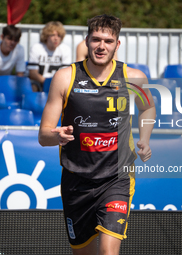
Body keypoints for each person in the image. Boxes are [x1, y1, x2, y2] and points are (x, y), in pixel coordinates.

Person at [38, 14, 156, 255]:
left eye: (108, 41)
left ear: (117, 45)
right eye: (96, 40)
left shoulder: (133, 78)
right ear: (87, 41)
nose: (101, 46)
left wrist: (144, 138)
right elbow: (43, 135)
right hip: (76, 181)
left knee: (108, 252)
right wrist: (56, 136)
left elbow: (148, 107)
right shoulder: (65, 77)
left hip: (117, 177)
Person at [27, 21, 72, 92]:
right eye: (53, 35)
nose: (56, 38)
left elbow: (66, 74)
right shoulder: (37, 48)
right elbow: (33, 73)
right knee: (32, 88)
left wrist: (54, 83)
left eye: (59, 35)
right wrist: (48, 83)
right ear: (46, 36)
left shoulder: (65, 49)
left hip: (58, 83)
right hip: (39, 82)